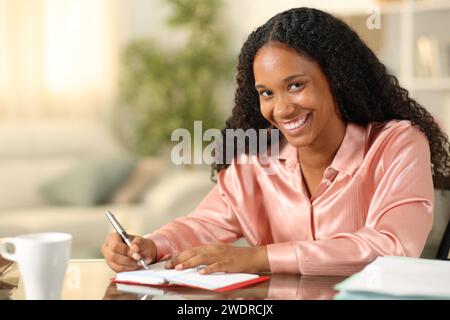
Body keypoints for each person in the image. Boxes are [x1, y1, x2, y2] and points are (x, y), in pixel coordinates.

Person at [102, 7, 450, 276]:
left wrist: (258, 256)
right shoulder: (258, 156)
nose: (281, 108)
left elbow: (392, 246)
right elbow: (203, 224)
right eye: (266, 93)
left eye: (296, 85)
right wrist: (149, 245)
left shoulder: (398, 143)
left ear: (337, 79)